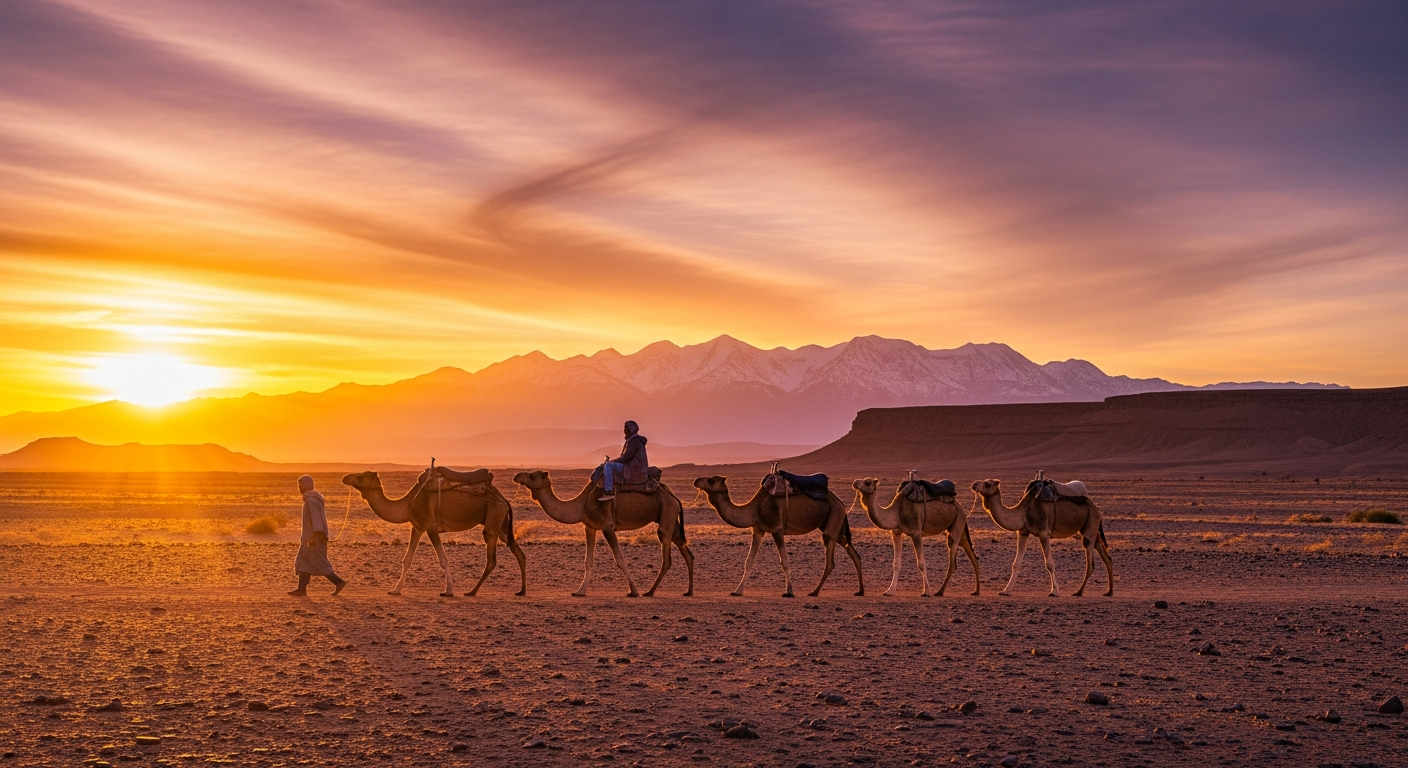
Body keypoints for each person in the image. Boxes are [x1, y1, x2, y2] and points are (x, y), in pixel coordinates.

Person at [288, 475, 347, 596]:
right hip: (309, 538)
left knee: (320, 563)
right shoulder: (312, 499)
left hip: (314, 539)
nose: (299, 488)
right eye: (298, 486)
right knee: (303, 561)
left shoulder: (311, 501)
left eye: (301, 485)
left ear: (307, 485)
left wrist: (316, 536)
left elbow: (316, 519)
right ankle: (301, 589)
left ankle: (338, 582)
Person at [599, 420, 649, 502]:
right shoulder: (633, 440)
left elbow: (626, 457)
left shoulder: (634, 441)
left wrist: (611, 462)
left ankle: (608, 491)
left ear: (631, 429)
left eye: (627, 428)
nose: (624, 430)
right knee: (610, 464)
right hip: (635, 468)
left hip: (634, 469)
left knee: (608, 466)